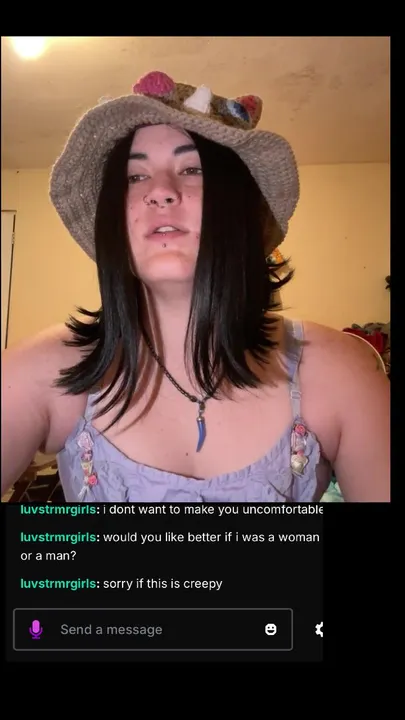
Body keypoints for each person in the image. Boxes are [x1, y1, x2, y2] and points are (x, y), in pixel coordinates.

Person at [1, 70, 390, 503]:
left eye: (191, 169)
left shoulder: (343, 373)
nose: (160, 192)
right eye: (134, 177)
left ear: (237, 207)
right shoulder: (41, 372)